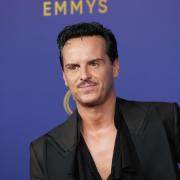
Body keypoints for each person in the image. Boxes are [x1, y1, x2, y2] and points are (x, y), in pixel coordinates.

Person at [30, 22, 180, 180]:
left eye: (94, 64)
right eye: (73, 67)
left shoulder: (165, 119)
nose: (84, 75)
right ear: (64, 77)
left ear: (115, 67)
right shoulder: (43, 151)